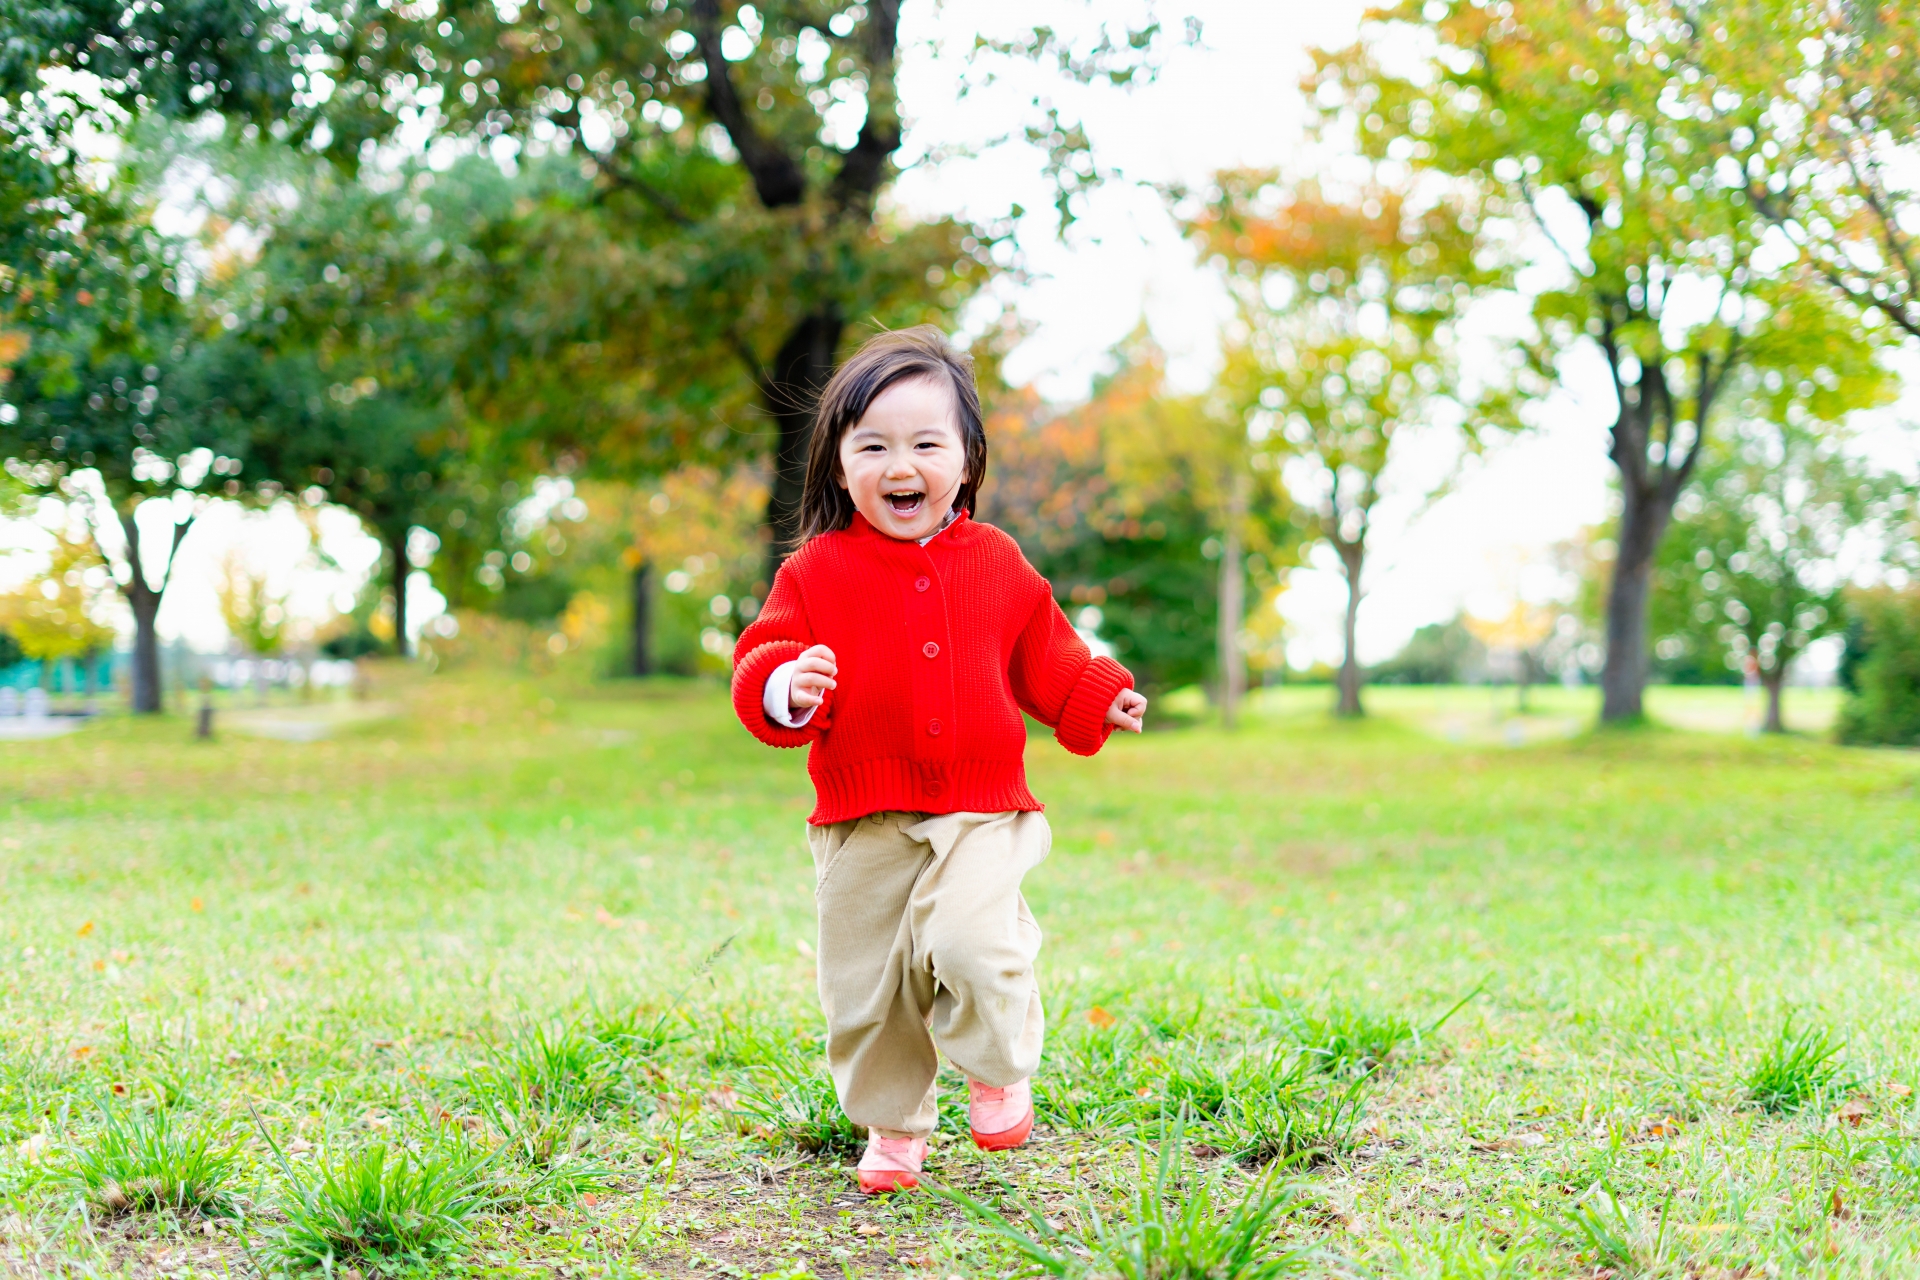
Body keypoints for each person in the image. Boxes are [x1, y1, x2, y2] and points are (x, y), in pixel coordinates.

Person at [730, 326, 1148, 1193]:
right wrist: (785, 687)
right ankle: (893, 1127)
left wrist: (1095, 693)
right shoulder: (815, 571)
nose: (900, 464)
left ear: (965, 459)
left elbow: (1046, 651)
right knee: (866, 991)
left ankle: (997, 1064)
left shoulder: (995, 562)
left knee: (972, 943)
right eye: (873, 445)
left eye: (926, 443)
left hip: (982, 809)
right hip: (860, 823)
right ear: (839, 466)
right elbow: (763, 654)